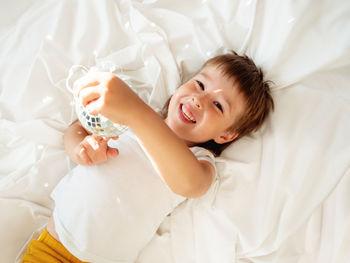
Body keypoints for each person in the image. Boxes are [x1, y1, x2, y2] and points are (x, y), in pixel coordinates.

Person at [21, 52, 274, 263]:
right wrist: (81, 148)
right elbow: (78, 127)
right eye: (200, 85)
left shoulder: (198, 159)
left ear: (226, 136)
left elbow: (190, 184)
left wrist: (136, 113)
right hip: (52, 246)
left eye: (218, 105)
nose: (199, 100)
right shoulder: (131, 116)